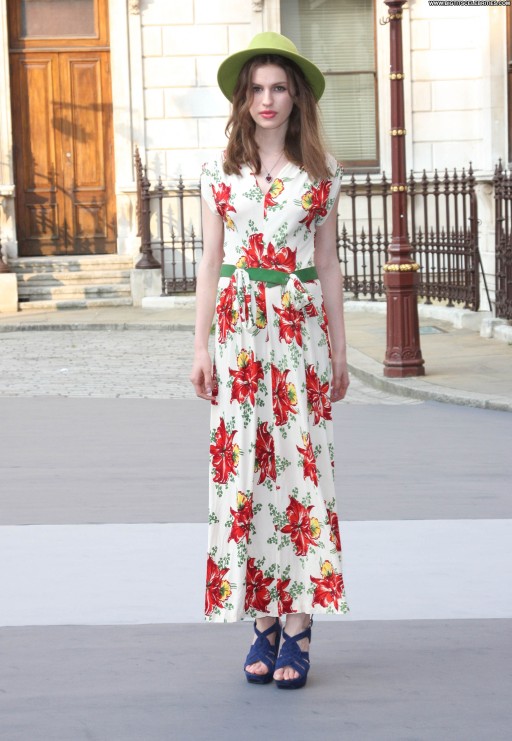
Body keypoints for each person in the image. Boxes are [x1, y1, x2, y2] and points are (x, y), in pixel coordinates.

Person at [190, 32, 349, 690]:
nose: (267, 99)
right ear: (242, 98)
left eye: (278, 87)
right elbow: (210, 262)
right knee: (246, 471)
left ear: (296, 96)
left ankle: (300, 622)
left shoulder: (321, 174)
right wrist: (199, 345)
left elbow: (329, 264)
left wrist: (340, 350)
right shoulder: (218, 173)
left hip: (298, 334)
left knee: (300, 471)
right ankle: (263, 619)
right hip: (239, 339)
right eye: (256, 88)